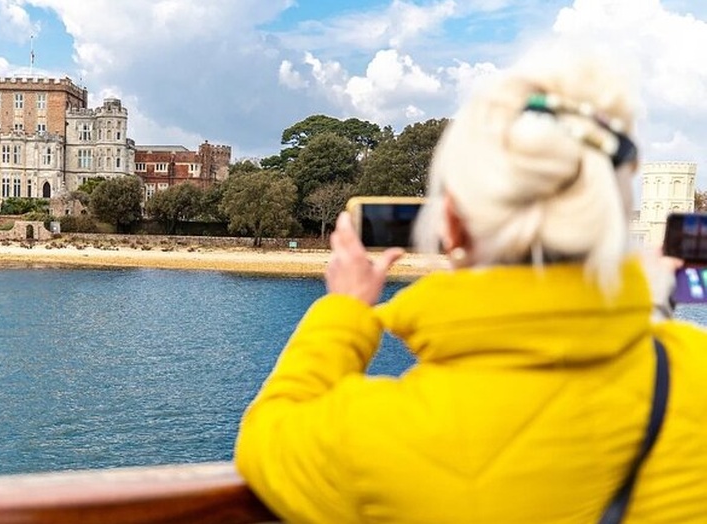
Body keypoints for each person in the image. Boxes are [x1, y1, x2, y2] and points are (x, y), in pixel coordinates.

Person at [234, 39, 707, 524]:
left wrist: (346, 310)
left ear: (453, 225)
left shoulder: (373, 437)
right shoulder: (694, 372)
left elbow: (267, 432)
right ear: (607, 216)